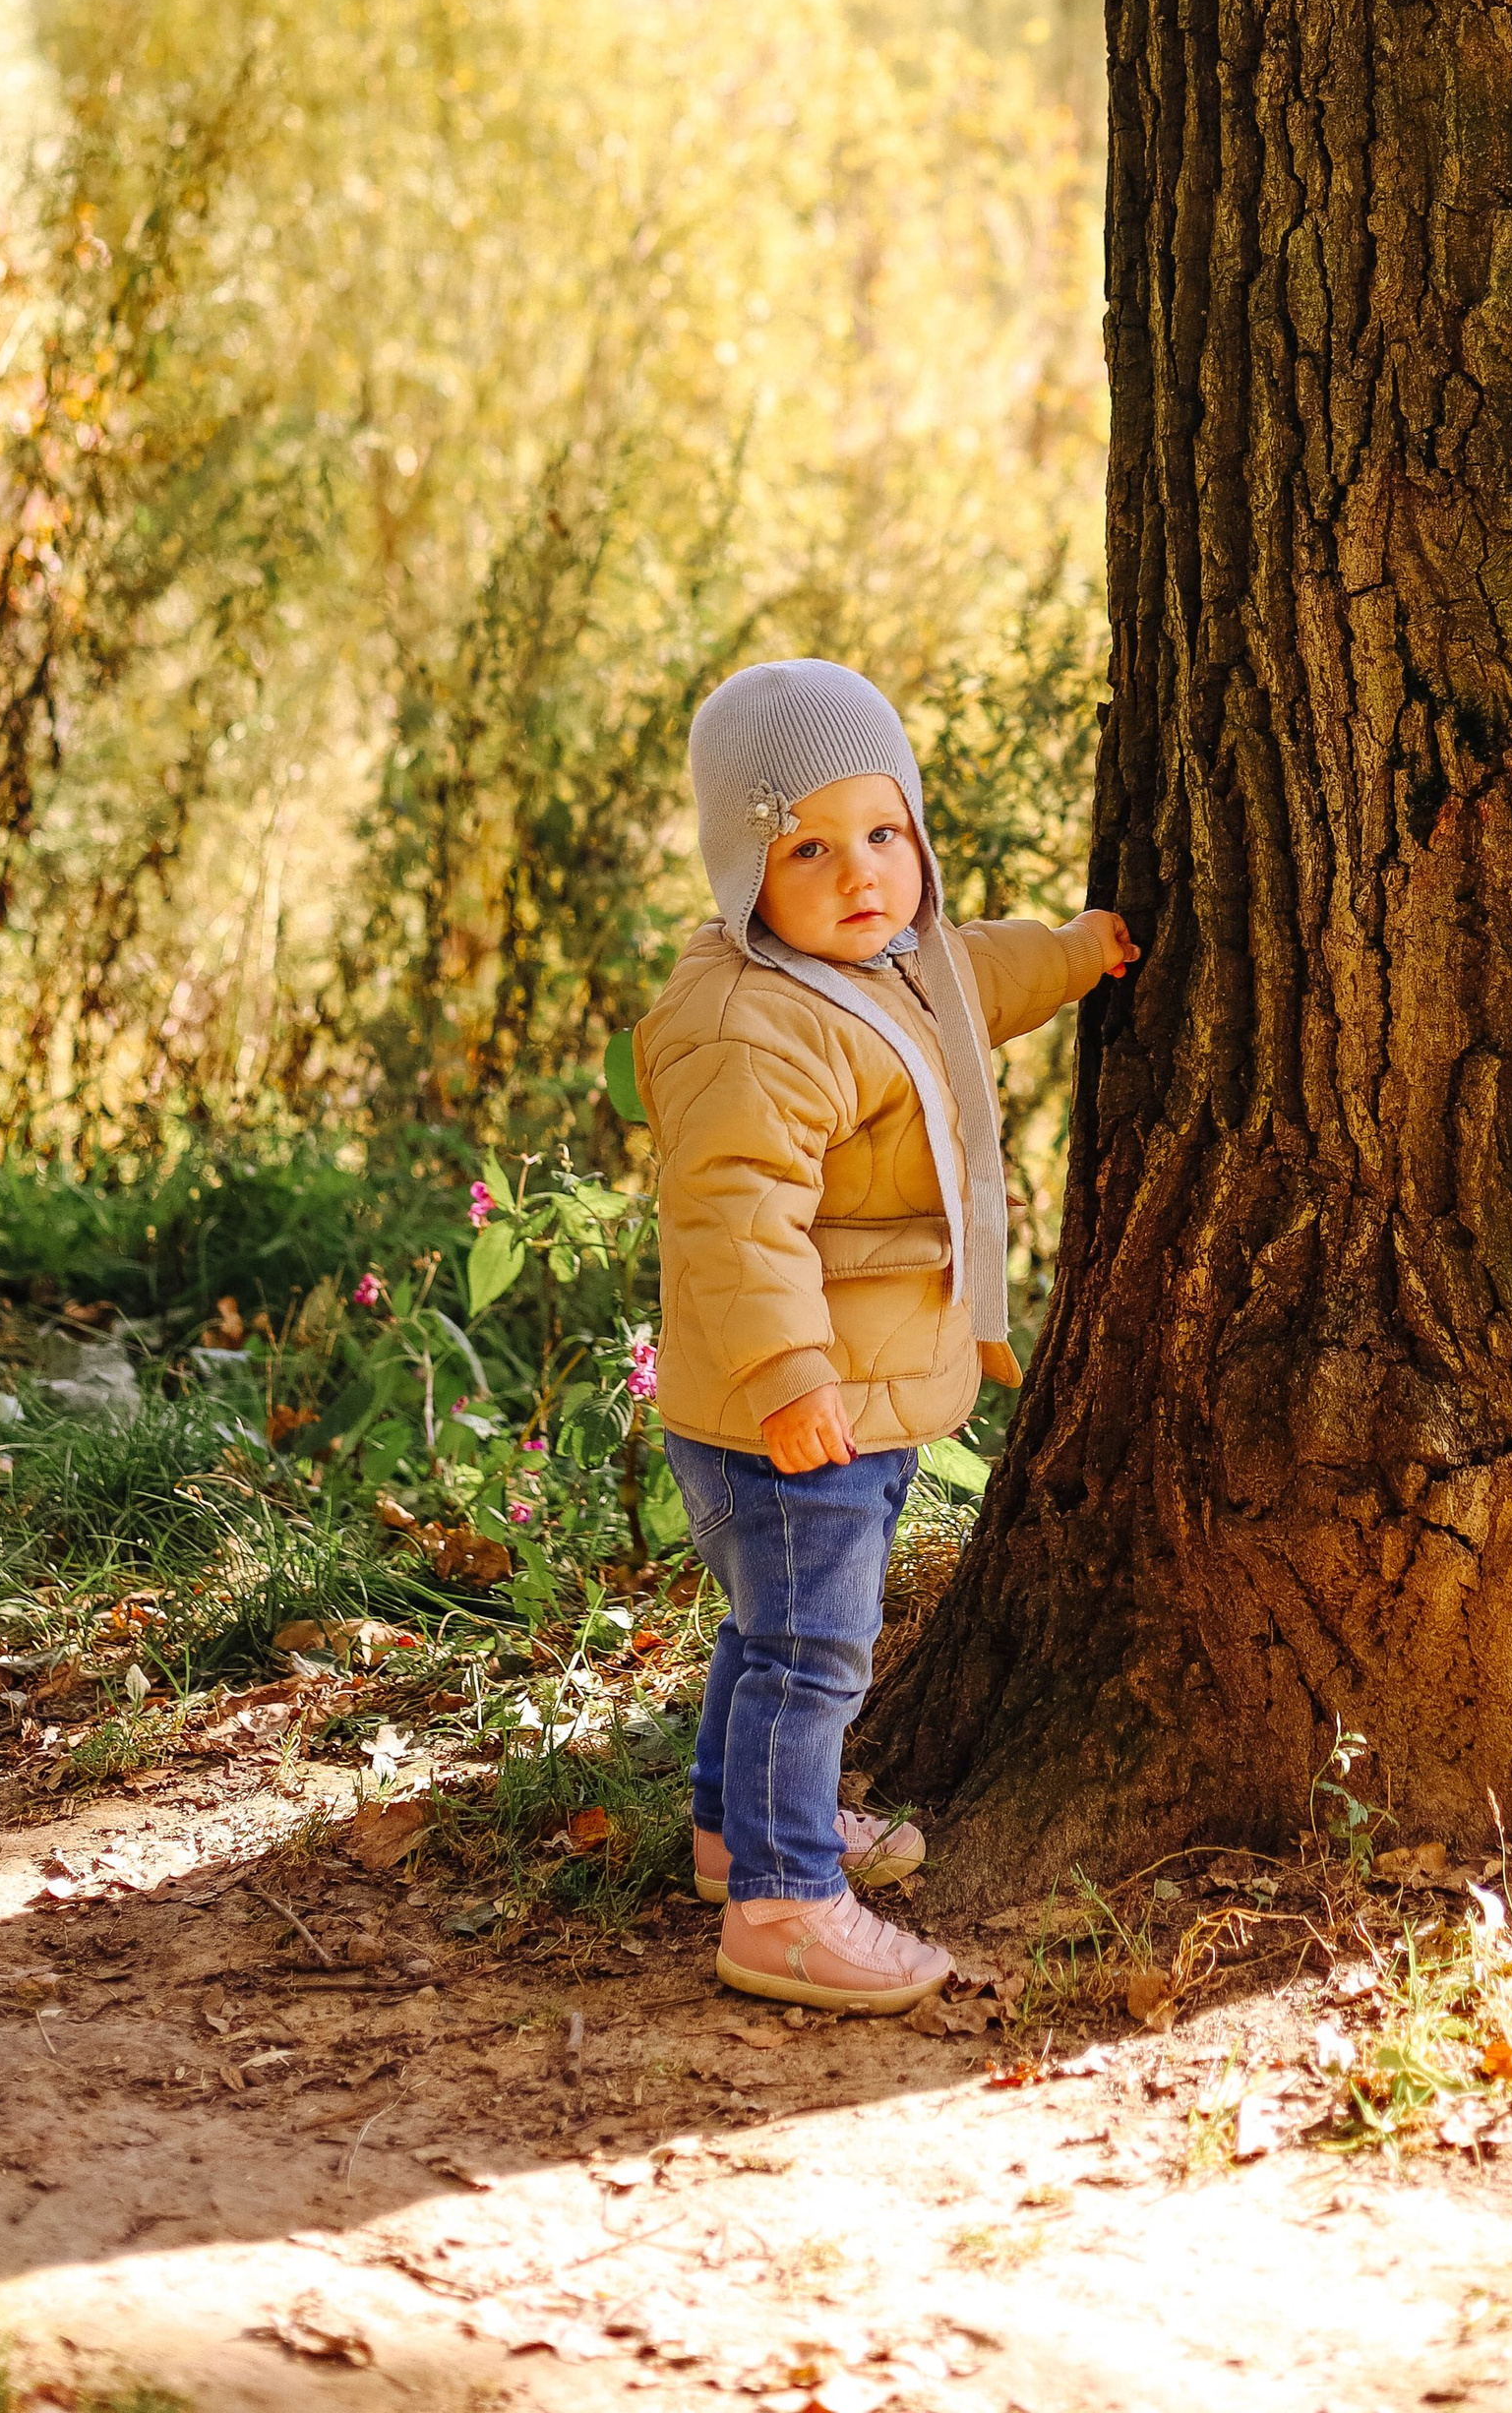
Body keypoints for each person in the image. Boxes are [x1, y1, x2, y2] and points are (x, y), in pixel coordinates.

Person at [637, 656, 1135, 2015]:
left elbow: (980, 978)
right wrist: (790, 1374)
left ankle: (733, 1834)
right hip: (797, 1404)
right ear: (748, 875)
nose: (859, 874)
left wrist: (1080, 955)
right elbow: (732, 1216)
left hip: (834, 1398)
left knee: (770, 1631)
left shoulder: (891, 965)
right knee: (813, 1651)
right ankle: (787, 1905)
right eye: (808, 847)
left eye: (883, 834)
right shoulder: (758, 1022)